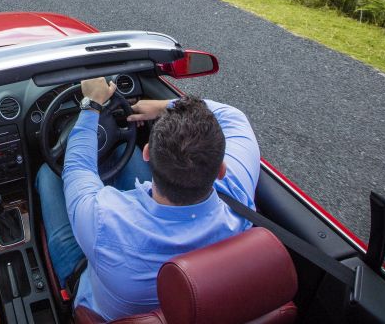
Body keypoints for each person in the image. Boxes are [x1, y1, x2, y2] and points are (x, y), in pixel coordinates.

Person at [36, 77, 259, 321]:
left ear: (146, 154)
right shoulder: (238, 190)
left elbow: (77, 166)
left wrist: (91, 105)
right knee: (121, 152)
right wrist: (164, 106)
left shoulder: (104, 220)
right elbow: (232, 116)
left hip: (93, 299)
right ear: (222, 170)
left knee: (48, 174)